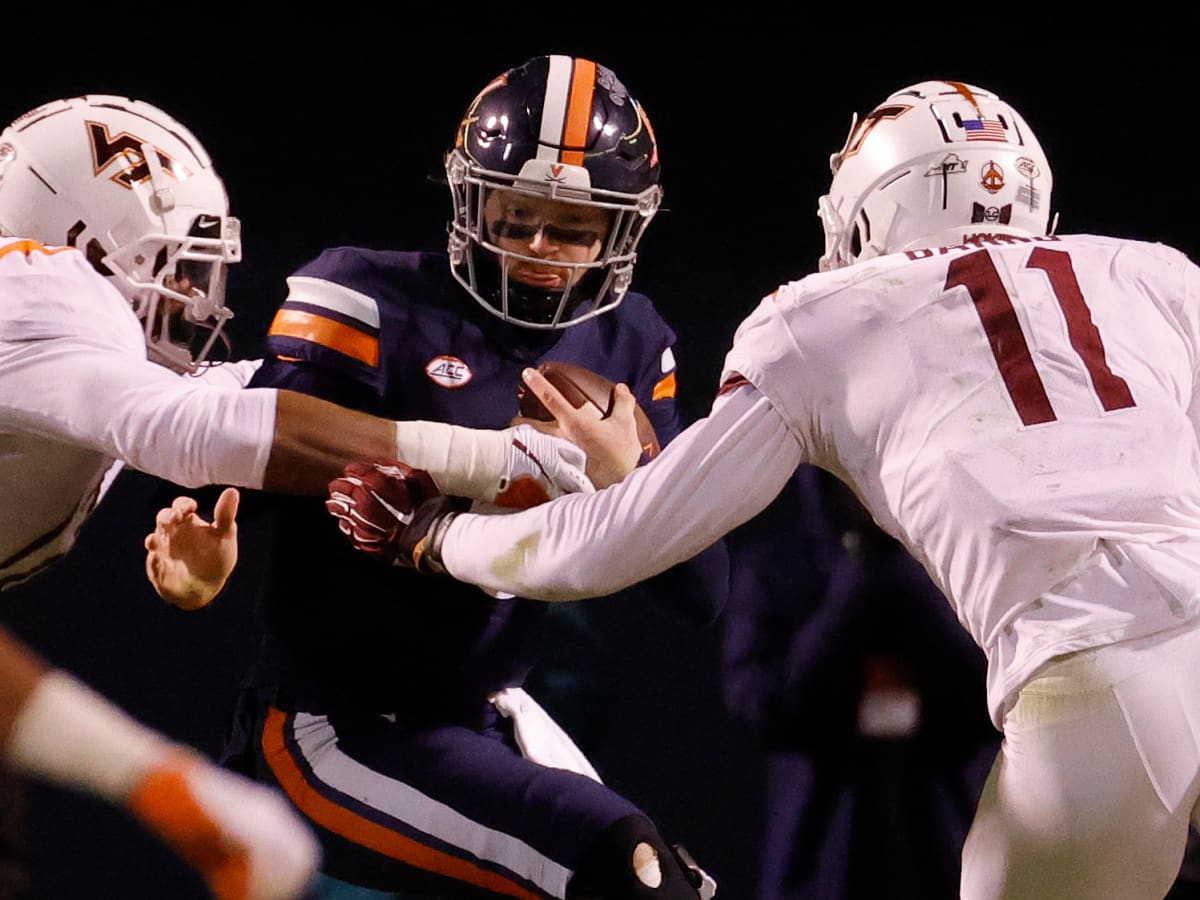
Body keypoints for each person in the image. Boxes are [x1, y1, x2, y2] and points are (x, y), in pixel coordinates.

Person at [329, 78, 1200, 899]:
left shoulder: (822, 320)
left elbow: (617, 539)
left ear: (873, 203)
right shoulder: (1157, 274)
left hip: (1098, 670)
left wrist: (435, 536)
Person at [0, 93, 598, 899]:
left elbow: (234, 395)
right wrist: (489, 456)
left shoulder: (54, 356)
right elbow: (192, 425)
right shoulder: (38, 293)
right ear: (85, 246)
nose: (200, 298)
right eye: (178, 268)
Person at [214, 54, 727, 900]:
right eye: (517, 214)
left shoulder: (628, 343)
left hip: (484, 719)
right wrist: (203, 561)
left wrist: (628, 475)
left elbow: (705, 590)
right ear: (471, 198)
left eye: (570, 229)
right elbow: (246, 461)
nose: (536, 248)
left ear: (621, 231)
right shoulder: (366, 300)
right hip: (328, 724)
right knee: (620, 867)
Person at [720, 464, 997, 899]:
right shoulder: (777, 567)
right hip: (821, 850)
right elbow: (757, 703)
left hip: (952, 839)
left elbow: (1004, 689)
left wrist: (911, 579)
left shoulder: (964, 560)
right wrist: (850, 594)